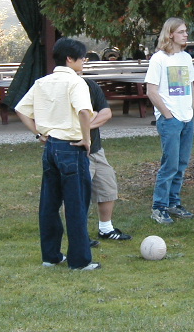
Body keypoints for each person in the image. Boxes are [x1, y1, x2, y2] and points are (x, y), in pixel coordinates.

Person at [15, 38, 100, 270]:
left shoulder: (42, 82)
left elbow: (21, 110)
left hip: (50, 147)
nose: (84, 61)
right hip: (71, 147)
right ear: (70, 59)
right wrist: (87, 139)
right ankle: (80, 261)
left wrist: (38, 133)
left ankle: (51, 256)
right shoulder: (76, 82)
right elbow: (84, 112)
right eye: (82, 57)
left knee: (49, 204)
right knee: (76, 204)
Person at [145, 17, 194, 224]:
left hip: (186, 118)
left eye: (186, 31)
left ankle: (174, 203)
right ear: (170, 34)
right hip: (170, 120)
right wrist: (167, 114)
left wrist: (189, 110)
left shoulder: (186, 58)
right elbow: (151, 91)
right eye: (181, 31)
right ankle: (159, 207)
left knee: (181, 163)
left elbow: (191, 86)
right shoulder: (159, 59)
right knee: (170, 165)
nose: (185, 35)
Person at [83, 77, 132, 241]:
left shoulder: (90, 85)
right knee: (79, 194)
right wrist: (92, 117)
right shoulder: (63, 88)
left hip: (96, 150)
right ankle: (79, 235)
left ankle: (106, 229)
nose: (82, 65)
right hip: (77, 151)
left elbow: (106, 113)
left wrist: (86, 125)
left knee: (107, 186)